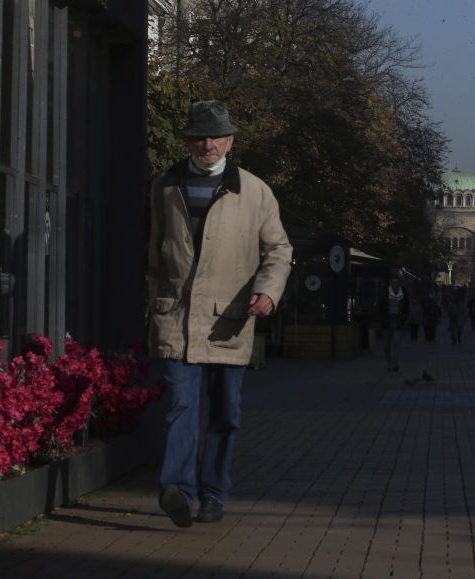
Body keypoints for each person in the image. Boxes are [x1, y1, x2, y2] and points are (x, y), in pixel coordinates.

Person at [148, 100, 293, 527]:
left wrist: (267, 292)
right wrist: (156, 296)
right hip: (175, 318)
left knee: (225, 412)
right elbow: (156, 248)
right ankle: (177, 489)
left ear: (230, 141)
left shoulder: (256, 191)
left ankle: (213, 492)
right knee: (180, 404)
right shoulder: (165, 185)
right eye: (198, 136)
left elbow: (279, 250)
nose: (207, 144)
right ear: (188, 141)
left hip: (228, 320)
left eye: (215, 136)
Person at [376, 273, 410, 371]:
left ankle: (395, 364)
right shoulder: (385, 292)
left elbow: (407, 308)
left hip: (398, 322)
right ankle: (389, 362)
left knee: (396, 343)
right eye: (394, 282)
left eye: (397, 282)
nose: (395, 284)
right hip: (387, 322)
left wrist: (405, 319)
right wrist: (380, 319)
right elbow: (379, 306)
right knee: (386, 345)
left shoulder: (403, 292)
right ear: (390, 283)